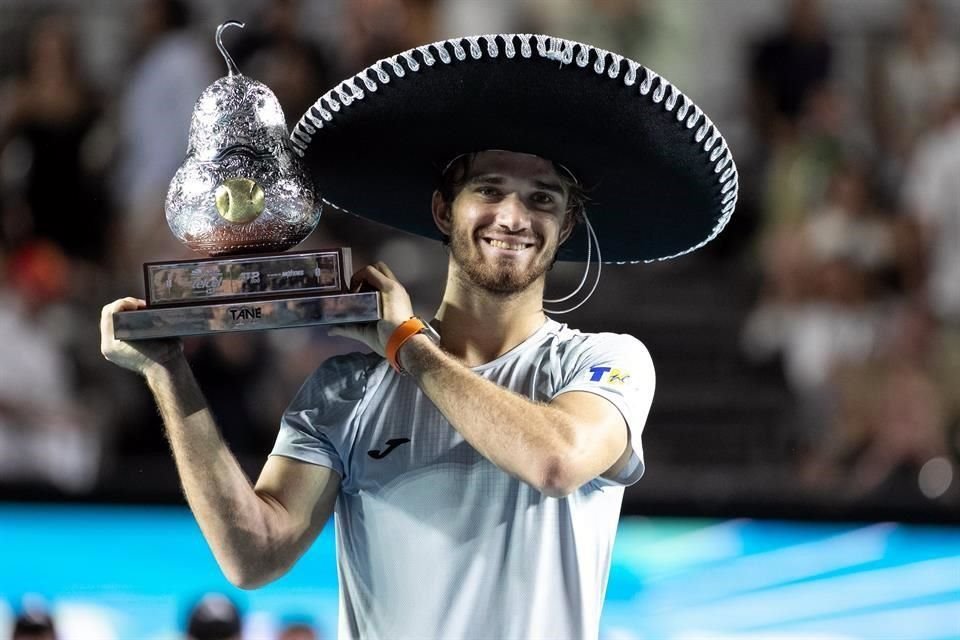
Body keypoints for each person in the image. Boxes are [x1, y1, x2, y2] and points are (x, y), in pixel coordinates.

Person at [100, 33, 736, 640]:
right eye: (489, 190)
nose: (513, 217)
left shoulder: (603, 363)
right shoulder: (342, 394)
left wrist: (407, 346)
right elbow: (253, 555)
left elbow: (555, 461)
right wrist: (168, 373)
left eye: (542, 200)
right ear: (442, 211)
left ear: (565, 226)